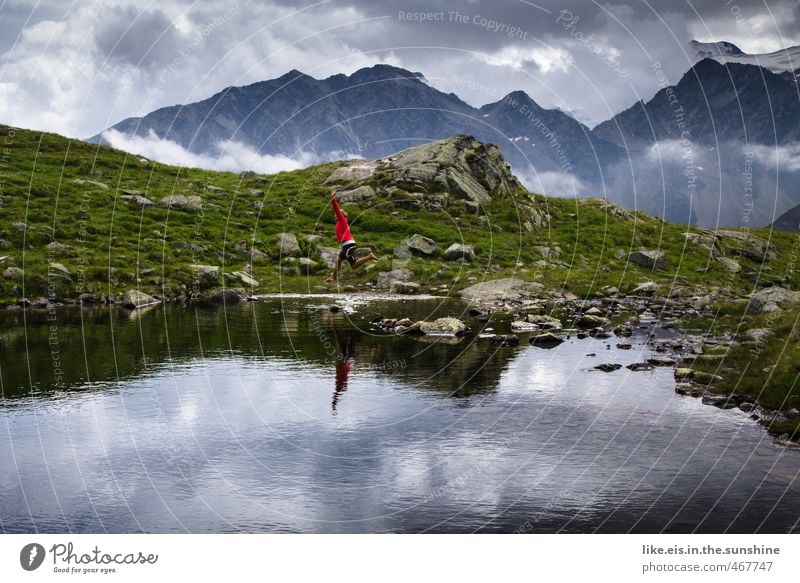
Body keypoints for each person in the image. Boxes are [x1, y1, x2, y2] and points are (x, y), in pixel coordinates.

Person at [325, 188, 379, 282]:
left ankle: (369, 256)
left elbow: (336, 209)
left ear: (341, 215)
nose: (335, 215)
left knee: (353, 266)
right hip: (346, 245)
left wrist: (333, 198)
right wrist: (342, 247)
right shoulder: (340, 223)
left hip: (349, 245)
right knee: (338, 260)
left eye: (336, 214)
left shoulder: (342, 220)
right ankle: (333, 277)